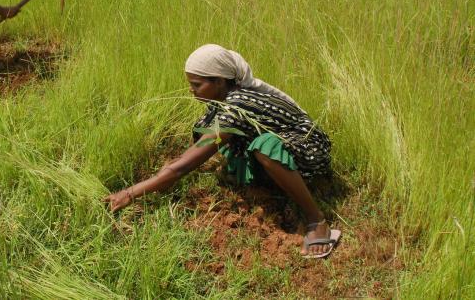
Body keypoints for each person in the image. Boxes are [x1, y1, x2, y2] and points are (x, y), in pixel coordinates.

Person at [103, 44, 341, 258]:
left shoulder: (237, 107)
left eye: (197, 85)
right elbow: (192, 152)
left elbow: (183, 166)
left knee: (264, 148)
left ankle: (315, 219)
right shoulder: (222, 103)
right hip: (282, 147)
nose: (191, 91)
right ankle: (276, 180)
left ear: (218, 81)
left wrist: (130, 193)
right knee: (227, 143)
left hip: (307, 151)